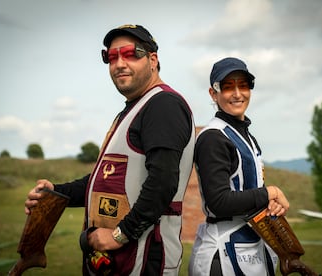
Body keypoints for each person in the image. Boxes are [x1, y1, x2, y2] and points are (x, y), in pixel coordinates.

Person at [24, 24, 195, 276]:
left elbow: (163, 181)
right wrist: (56, 193)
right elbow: (103, 181)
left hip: (144, 258)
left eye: (129, 54)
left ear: (153, 60)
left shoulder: (163, 105)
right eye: (111, 57)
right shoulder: (133, 110)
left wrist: (121, 234)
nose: (119, 63)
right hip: (118, 262)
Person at [188, 57, 290, 276]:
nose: (237, 93)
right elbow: (219, 202)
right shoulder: (213, 137)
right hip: (222, 250)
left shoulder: (246, 136)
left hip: (249, 244)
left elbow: (248, 191)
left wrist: (270, 204)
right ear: (213, 93)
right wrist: (269, 193)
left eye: (243, 85)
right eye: (227, 87)